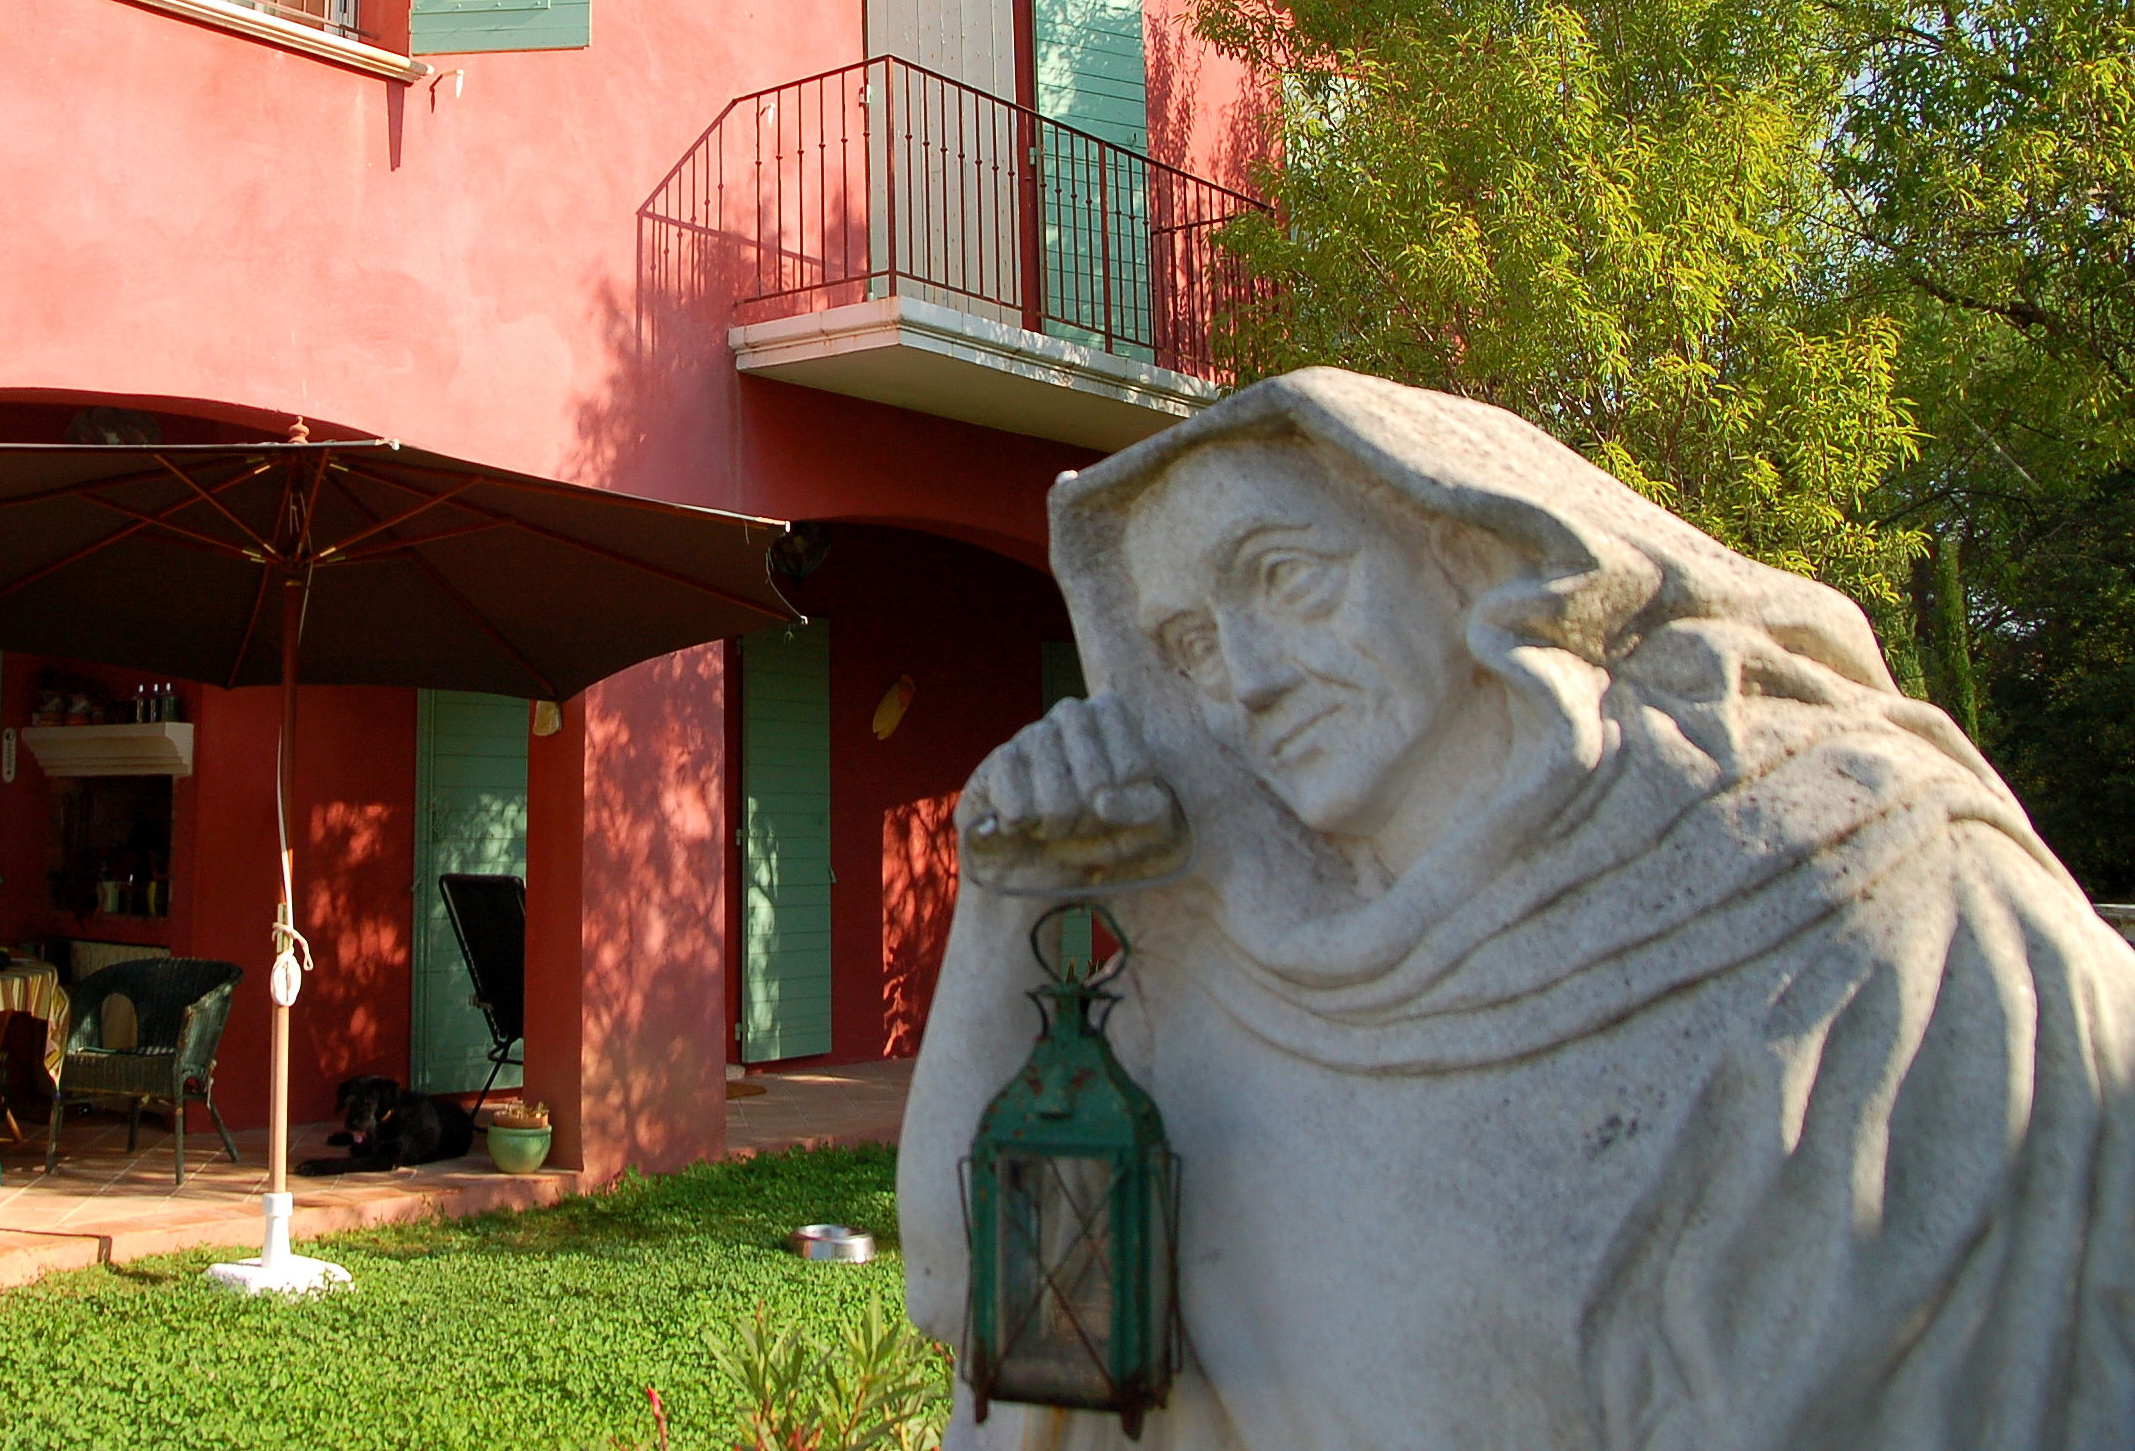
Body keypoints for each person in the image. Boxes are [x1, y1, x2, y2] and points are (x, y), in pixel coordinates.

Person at [903, 368, 2135, 1450]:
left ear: (1464, 550)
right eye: (1188, 645)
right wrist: (1005, 901)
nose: (1251, 679)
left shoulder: (1865, 894)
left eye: (1284, 579)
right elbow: (972, 1303)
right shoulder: (1224, 972)